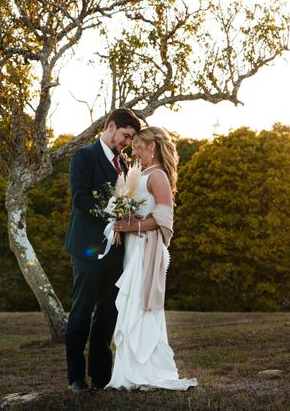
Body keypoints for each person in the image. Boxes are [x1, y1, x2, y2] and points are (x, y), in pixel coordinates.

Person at [105, 126, 197, 391]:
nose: (133, 151)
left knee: (141, 305)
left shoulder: (158, 176)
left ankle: (147, 370)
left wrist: (132, 225)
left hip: (146, 248)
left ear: (152, 147)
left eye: (137, 146)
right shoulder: (140, 173)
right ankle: (128, 371)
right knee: (130, 303)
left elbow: (164, 220)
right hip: (133, 247)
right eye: (132, 146)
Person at [64, 108, 141, 393]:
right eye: (126, 135)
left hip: (116, 252)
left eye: (131, 139)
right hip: (88, 248)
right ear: (110, 126)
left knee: (108, 313)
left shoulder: (123, 164)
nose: (127, 142)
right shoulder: (85, 156)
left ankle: (100, 376)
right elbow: (79, 198)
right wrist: (108, 214)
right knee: (82, 311)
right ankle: (75, 377)